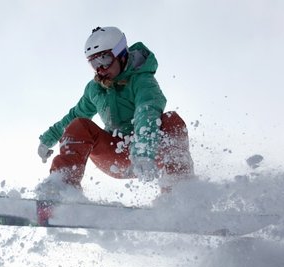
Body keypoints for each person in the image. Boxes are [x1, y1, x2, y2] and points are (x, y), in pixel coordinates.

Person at [36, 26, 194, 199]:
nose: (100, 68)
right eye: (94, 63)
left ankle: (179, 193)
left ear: (121, 54)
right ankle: (61, 186)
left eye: (105, 59)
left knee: (172, 120)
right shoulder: (95, 89)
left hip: (149, 150)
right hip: (115, 153)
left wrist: (143, 150)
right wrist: (48, 139)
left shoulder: (143, 80)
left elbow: (146, 111)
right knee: (79, 124)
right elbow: (75, 115)